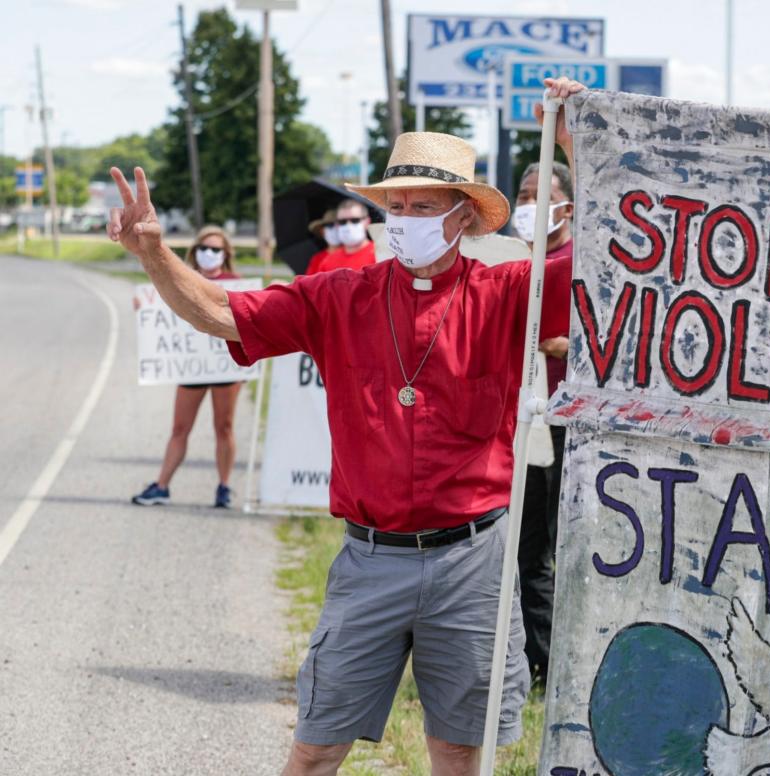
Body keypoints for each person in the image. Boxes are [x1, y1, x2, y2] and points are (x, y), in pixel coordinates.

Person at [107, 76, 586, 776]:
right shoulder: (338, 296)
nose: (405, 218)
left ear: (462, 216)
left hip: (474, 560)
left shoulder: (512, 291)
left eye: (424, 205)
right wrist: (154, 252)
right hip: (371, 559)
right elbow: (221, 313)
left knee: (458, 750)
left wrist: (573, 139)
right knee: (316, 747)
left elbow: (615, 253)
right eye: (395, 206)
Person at [512, 159, 574, 684]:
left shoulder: (584, 263)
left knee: (551, 548)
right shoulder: (514, 264)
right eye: (523, 194)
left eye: (539, 195)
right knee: (523, 546)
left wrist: (558, 344)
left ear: (567, 207)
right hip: (521, 424)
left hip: (565, 426)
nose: (528, 205)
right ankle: (538, 661)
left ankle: (557, 666)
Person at [131, 225, 245, 509]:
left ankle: (224, 487)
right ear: (195, 252)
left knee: (225, 427)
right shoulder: (183, 280)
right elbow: (161, 306)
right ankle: (162, 486)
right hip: (190, 365)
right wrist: (145, 307)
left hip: (224, 366)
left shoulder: (238, 284)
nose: (210, 254)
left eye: (216, 249)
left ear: (225, 254)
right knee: (180, 428)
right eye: (204, 248)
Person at [308, 199, 375, 273]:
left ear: (367, 222)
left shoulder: (380, 253)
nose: (348, 225)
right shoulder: (328, 262)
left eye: (355, 220)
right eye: (343, 222)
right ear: (337, 225)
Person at [304, 207, 340, 275]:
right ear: (322, 231)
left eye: (340, 224)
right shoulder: (317, 259)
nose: (335, 229)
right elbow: (309, 283)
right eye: (330, 225)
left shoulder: (354, 254)